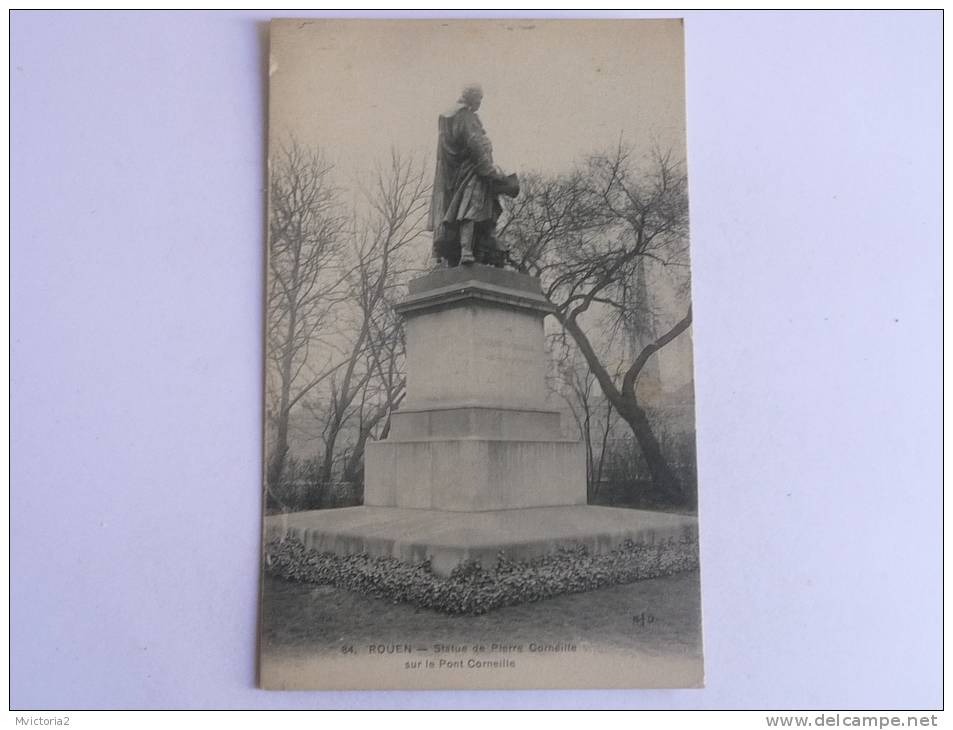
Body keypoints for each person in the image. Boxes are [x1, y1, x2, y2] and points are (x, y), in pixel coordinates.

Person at [427, 84, 518, 267]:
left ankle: (472, 249)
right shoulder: (465, 116)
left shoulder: (449, 117)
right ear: (471, 97)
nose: (480, 103)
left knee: (473, 210)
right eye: (479, 99)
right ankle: (467, 251)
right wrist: (492, 172)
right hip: (473, 173)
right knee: (472, 209)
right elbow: (474, 144)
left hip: (457, 174)